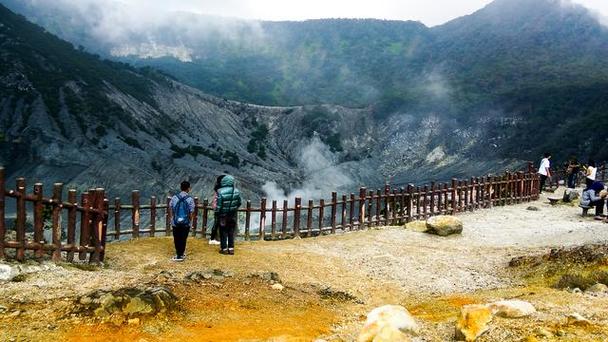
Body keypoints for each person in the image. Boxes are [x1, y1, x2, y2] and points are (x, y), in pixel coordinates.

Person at [215, 175, 242, 255]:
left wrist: (217, 212)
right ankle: (231, 249)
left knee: (223, 231)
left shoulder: (220, 191)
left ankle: (224, 249)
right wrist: (234, 208)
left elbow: (219, 205)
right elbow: (239, 202)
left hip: (223, 214)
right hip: (232, 214)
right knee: (231, 231)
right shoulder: (236, 191)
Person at [169, 181, 195, 262]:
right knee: (183, 238)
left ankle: (178, 254)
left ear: (180, 188)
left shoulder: (174, 197)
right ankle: (181, 254)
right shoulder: (190, 199)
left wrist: (172, 218)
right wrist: (190, 221)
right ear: (188, 189)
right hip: (185, 223)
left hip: (175, 222)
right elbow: (191, 212)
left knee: (176, 238)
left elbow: (171, 209)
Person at [208, 175, 225, 245]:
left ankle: (213, 238)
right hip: (219, 208)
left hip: (217, 208)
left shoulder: (217, 188)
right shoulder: (220, 189)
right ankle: (213, 238)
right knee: (218, 224)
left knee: (216, 223)